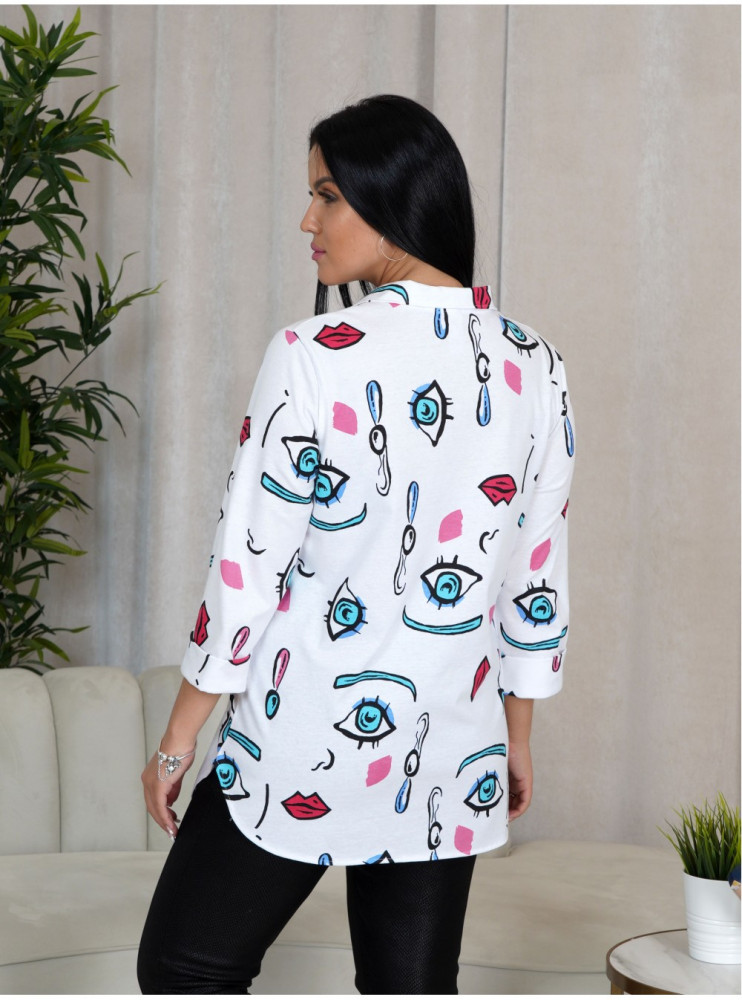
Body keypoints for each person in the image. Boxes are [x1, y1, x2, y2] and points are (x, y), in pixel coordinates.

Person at [137, 94, 575, 995]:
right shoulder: (537, 364)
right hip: (452, 743)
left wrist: (180, 738)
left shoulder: (313, 353)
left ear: (395, 198)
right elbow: (535, 574)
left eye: (328, 195)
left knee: (183, 970)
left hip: (299, 734)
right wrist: (515, 736)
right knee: (409, 987)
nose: (308, 220)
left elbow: (246, 567)